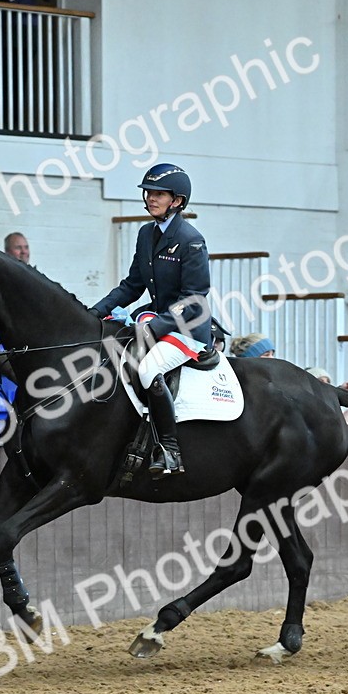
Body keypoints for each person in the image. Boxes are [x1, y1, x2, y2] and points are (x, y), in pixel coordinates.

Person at [87, 163, 211, 478]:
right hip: (157, 323)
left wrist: (155, 326)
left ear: (177, 201)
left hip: (187, 330)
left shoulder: (191, 240)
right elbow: (132, 286)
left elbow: (195, 299)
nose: (151, 198)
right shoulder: (146, 234)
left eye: (159, 193)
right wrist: (95, 312)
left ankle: (170, 449)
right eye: (149, 192)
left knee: (148, 368)